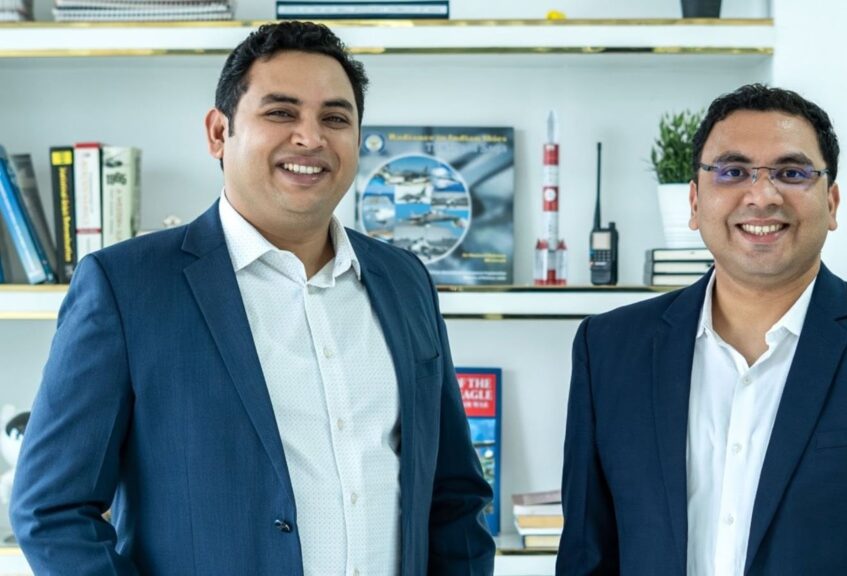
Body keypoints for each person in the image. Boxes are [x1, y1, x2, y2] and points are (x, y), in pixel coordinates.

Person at [10, 21, 494, 576]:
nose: (311, 138)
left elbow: (454, 495)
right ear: (219, 132)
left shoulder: (405, 280)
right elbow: (50, 510)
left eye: (335, 118)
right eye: (281, 112)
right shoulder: (126, 287)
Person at [556, 84, 847, 575]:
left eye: (792, 173)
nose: (762, 195)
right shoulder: (609, 350)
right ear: (693, 201)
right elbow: (586, 556)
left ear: (831, 202)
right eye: (732, 172)